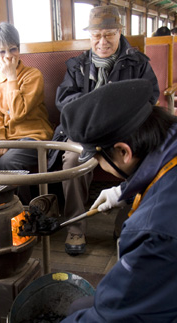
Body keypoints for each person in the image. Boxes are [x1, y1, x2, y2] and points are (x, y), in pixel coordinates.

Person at [59, 79, 177, 322]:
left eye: (98, 159)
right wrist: (122, 191)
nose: (99, 166)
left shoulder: (153, 232)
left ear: (124, 152)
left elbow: (112, 318)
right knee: (80, 305)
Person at [48, 5, 160, 256]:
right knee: (73, 161)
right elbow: (64, 99)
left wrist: (116, 112)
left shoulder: (138, 63)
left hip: (126, 131)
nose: (102, 41)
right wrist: (94, 108)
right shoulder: (77, 66)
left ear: (120, 32)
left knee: (141, 157)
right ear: (90, 37)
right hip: (87, 132)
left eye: (109, 34)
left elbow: (150, 97)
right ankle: (76, 227)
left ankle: (127, 221)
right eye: (96, 35)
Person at [0, 22, 53, 204]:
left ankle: (24, 213)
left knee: (8, 163)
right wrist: (1, 141)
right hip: (7, 139)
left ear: (19, 49)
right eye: (2, 52)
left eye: (13, 49)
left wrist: (12, 78)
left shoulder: (32, 75)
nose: (9, 56)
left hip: (34, 137)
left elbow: (19, 113)